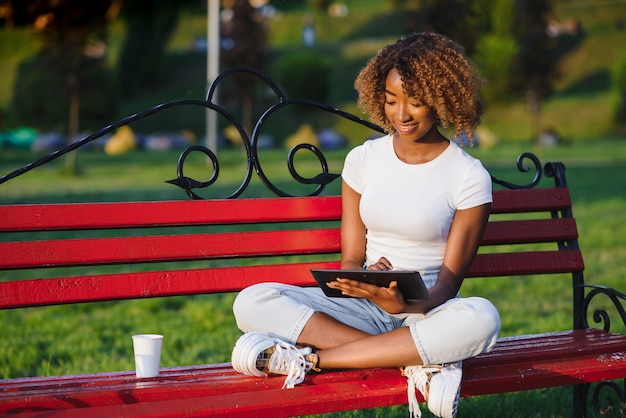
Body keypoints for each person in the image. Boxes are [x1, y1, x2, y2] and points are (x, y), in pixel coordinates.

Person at [230, 32, 501, 418]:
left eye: (416, 102)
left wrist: (407, 302)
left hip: (425, 311)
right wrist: (361, 281)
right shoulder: (364, 160)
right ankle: (414, 361)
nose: (401, 115)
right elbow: (352, 257)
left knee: (482, 318)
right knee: (253, 300)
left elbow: (447, 284)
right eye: (392, 101)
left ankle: (312, 361)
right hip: (361, 308)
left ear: (441, 100)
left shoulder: (468, 176)